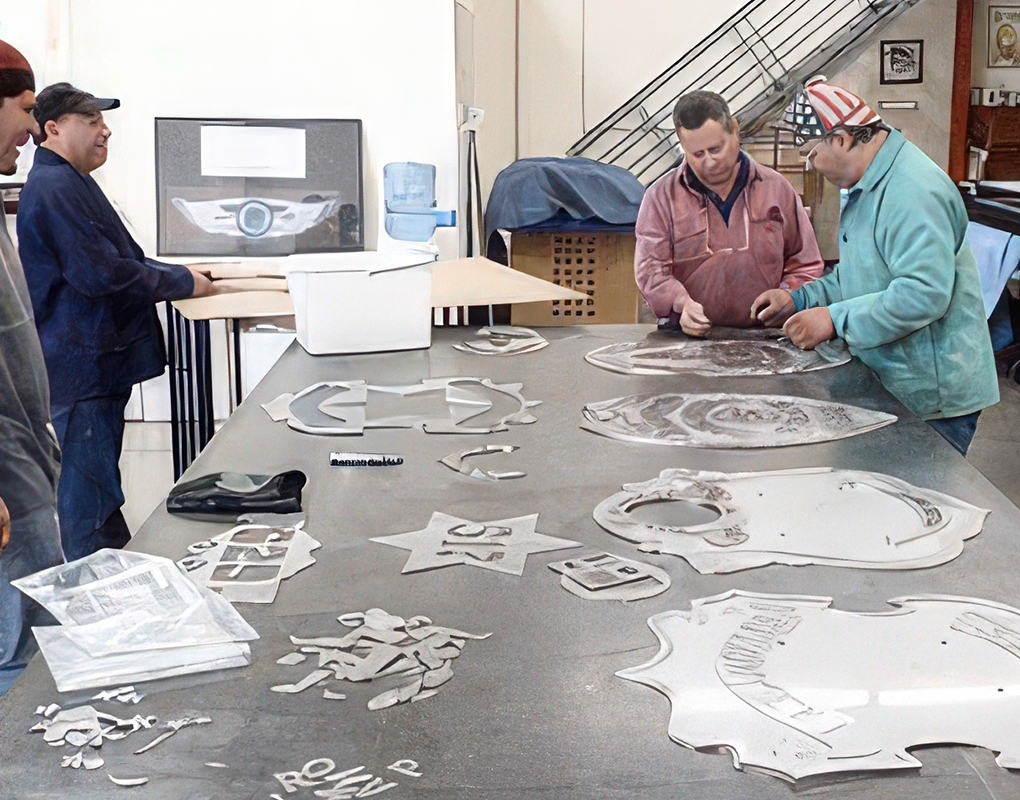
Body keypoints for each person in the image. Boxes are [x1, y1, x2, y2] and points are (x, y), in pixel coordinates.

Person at [18, 82, 215, 561]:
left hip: (92, 361)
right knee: (89, 494)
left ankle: (113, 580)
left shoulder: (69, 180)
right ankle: (96, 599)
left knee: (97, 486)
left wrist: (180, 275)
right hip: (83, 365)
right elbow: (99, 272)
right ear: (53, 128)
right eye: (91, 121)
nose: (105, 131)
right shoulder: (56, 185)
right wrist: (183, 285)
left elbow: (122, 259)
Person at [751, 78, 999, 455]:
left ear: (841, 139)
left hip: (933, 396)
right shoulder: (869, 185)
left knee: (913, 502)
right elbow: (858, 277)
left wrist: (834, 320)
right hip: (892, 377)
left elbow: (923, 295)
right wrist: (799, 300)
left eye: (810, 151)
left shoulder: (912, 191)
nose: (810, 164)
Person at [634, 90, 824, 336]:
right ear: (682, 147)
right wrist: (682, 304)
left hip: (767, 338)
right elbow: (651, 271)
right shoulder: (660, 197)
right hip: (686, 339)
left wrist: (789, 295)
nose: (710, 162)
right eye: (697, 154)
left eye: (716, 148)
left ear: (734, 130)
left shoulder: (777, 189)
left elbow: (805, 261)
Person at [0, 40, 65, 694]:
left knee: (33, 619)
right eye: (23, 107)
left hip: (23, 443)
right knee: (17, 638)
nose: (33, 128)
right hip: (3, 459)